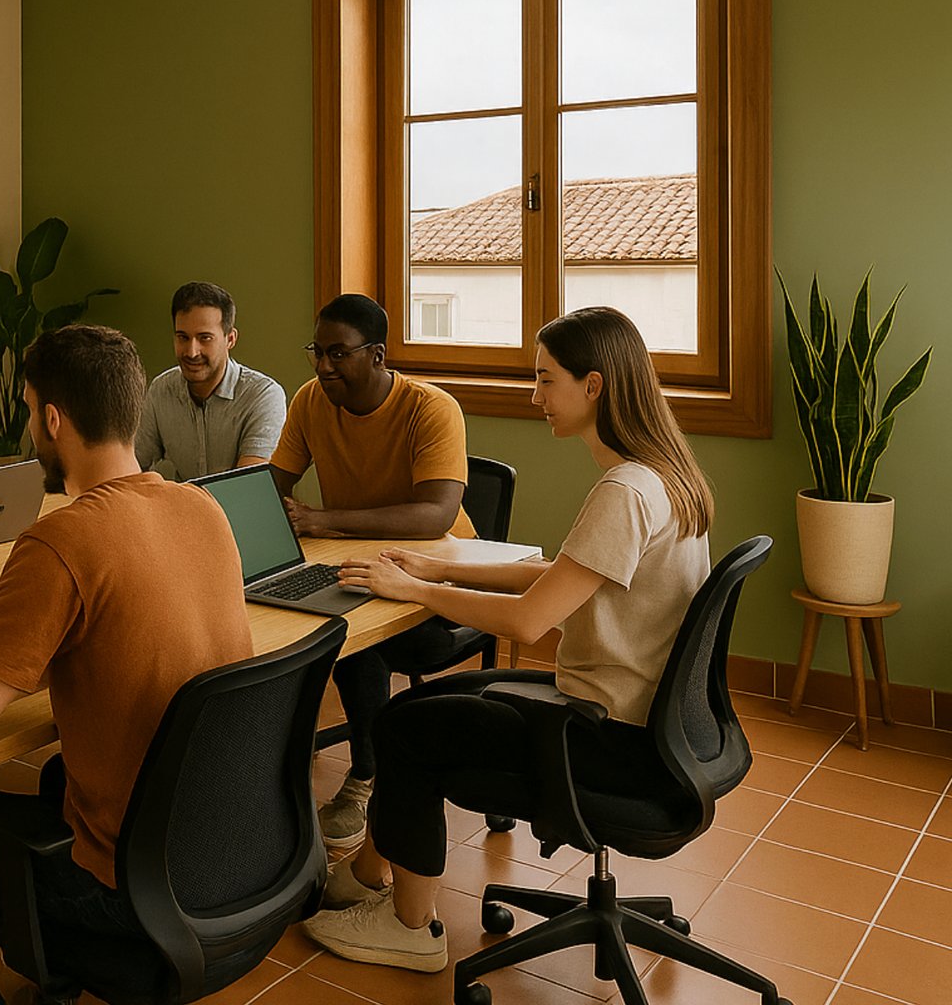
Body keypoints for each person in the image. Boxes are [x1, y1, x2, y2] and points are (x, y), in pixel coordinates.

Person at [301, 306, 715, 975]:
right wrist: (441, 565)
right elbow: (559, 573)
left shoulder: (624, 491)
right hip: (641, 722)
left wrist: (417, 592)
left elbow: (529, 620)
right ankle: (371, 871)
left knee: (408, 733)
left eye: (546, 380)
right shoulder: (663, 474)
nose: (534, 397)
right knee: (415, 712)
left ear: (595, 386)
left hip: (604, 738)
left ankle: (409, 927)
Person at [0, 325, 253, 1005]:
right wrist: (17, 637)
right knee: (53, 781)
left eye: (33, 409)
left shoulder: (62, 538)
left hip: (133, 895)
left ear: (53, 418)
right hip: (231, 857)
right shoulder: (203, 507)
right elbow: (123, 624)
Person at [267, 293, 475, 853]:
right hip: (357, 564)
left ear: (378, 354)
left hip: (440, 585)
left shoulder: (431, 408)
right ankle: (269, 777)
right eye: (317, 350)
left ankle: (365, 776)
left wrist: (324, 520)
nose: (322, 366)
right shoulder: (311, 401)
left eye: (338, 353)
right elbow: (274, 483)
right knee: (288, 612)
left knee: (351, 634)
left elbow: (436, 515)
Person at [135, 281, 286, 481]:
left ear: (230, 339)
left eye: (204, 338)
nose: (191, 351)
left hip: (235, 511)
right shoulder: (161, 389)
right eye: (183, 337)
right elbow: (135, 468)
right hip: (178, 510)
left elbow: (248, 487)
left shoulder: (263, 395)